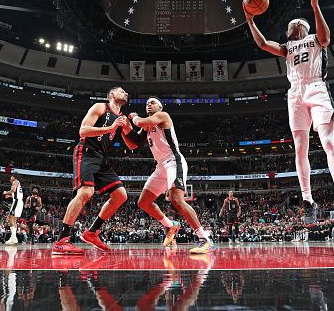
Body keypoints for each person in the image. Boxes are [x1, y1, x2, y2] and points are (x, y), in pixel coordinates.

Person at [244, 0, 334, 224]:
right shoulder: (286, 48)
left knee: (327, 141)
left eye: (298, 24)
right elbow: (261, 44)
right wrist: (250, 21)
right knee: (300, 149)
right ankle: (307, 201)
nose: (294, 25)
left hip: (316, 87)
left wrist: (315, 5)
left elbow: (326, 38)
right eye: (292, 25)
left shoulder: (314, 39)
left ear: (305, 27)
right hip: (295, 93)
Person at [52, 86, 138, 255]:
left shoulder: (122, 118)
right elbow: (83, 131)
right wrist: (111, 128)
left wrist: (139, 124)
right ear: (112, 94)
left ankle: (92, 232)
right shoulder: (100, 107)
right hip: (86, 151)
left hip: (101, 158)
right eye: (122, 91)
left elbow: (133, 145)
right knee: (86, 192)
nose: (126, 93)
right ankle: (61, 240)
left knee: (121, 195)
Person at [127, 97, 214, 254]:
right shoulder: (148, 125)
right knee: (143, 202)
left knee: (176, 199)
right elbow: (134, 143)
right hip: (161, 166)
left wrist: (133, 117)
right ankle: (170, 225)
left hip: (174, 161)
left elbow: (139, 122)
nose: (148, 105)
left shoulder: (163, 116)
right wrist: (124, 128)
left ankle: (204, 239)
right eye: (147, 103)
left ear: (160, 107)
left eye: (152, 103)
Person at [3, 174, 24, 245]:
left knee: (10, 218)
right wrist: (10, 195)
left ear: (14, 177)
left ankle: (13, 237)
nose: (10, 178)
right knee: (13, 219)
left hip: (17, 202)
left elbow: (13, 190)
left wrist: (6, 192)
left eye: (11, 177)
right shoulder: (18, 183)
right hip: (19, 201)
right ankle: (13, 237)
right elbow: (16, 193)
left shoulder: (15, 182)